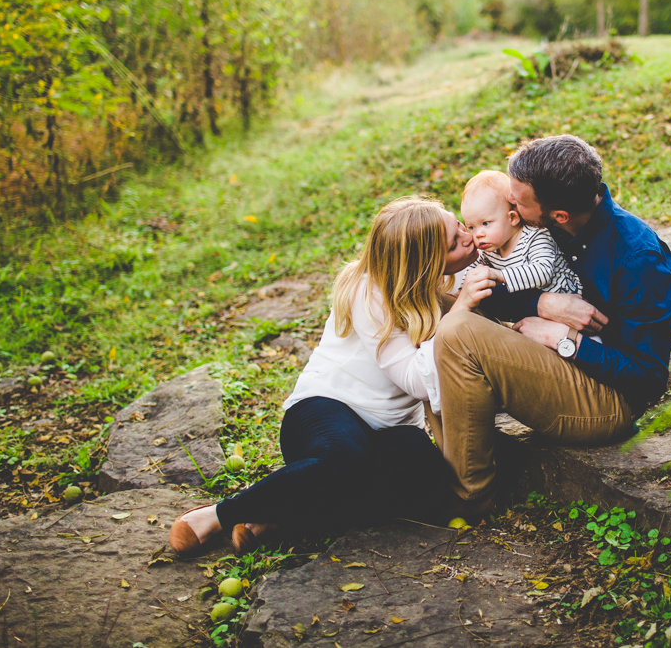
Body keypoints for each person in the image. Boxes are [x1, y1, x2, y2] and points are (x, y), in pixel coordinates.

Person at [169, 196, 489, 555]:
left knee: (427, 481)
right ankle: (221, 514)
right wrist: (459, 311)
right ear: (422, 264)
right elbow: (416, 380)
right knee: (347, 459)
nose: (468, 238)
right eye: (454, 243)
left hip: (389, 431)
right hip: (326, 411)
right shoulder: (370, 293)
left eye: (459, 227)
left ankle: (281, 516)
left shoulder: (454, 274)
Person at [431, 135, 671, 514]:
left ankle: (471, 497)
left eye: (517, 202)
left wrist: (564, 339)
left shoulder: (637, 258)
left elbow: (648, 379)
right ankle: (451, 455)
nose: (509, 205)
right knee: (436, 299)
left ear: (558, 215)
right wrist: (542, 304)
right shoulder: (543, 224)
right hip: (552, 364)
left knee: (458, 331)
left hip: (605, 400)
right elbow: (496, 288)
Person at [460, 169, 580, 296]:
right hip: (532, 301)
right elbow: (472, 271)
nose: (478, 234)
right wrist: (461, 291)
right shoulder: (489, 249)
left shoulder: (535, 237)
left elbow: (543, 273)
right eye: (471, 227)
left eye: (485, 223)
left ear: (512, 218)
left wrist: (500, 275)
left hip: (566, 296)